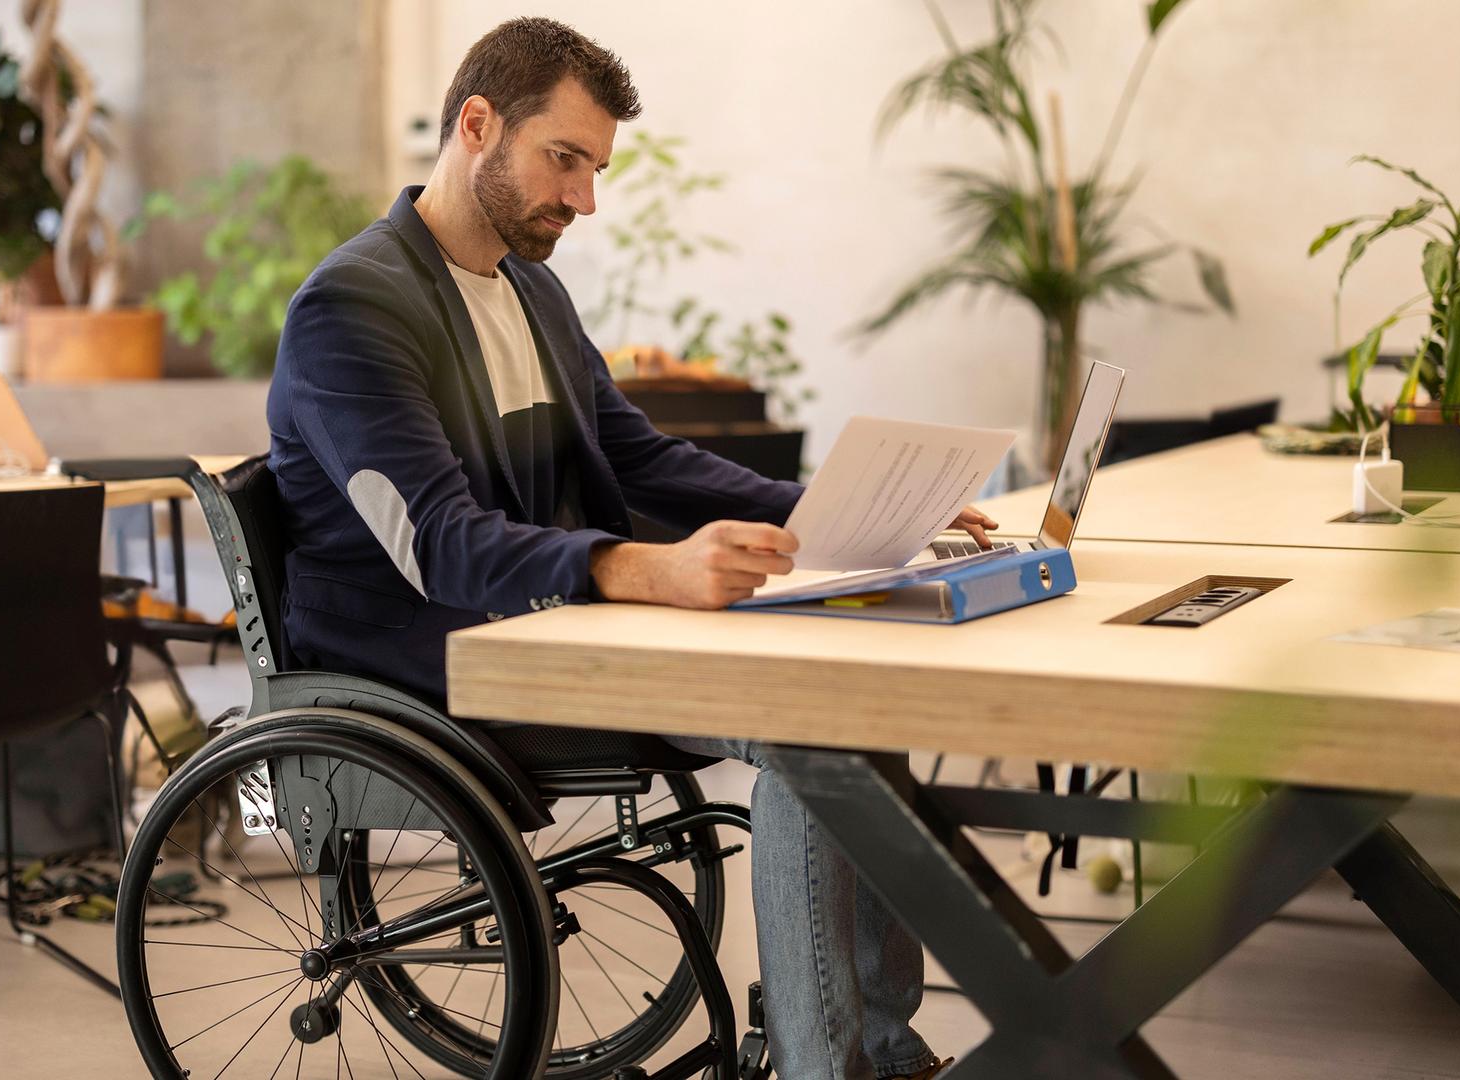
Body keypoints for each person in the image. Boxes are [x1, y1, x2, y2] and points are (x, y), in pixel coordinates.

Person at [268, 17, 994, 1079]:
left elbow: (643, 459)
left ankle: (877, 1046)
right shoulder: (351, 308)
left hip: (538, 622)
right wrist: (641, 569)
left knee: (850, 686)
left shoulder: (532, 291)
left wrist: (846, 513)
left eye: (595, 168)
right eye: (564, 159)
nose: (584, 198)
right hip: (431, 651)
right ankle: (826, 1061)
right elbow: (439, 546)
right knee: (804, 723)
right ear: (477, 125)